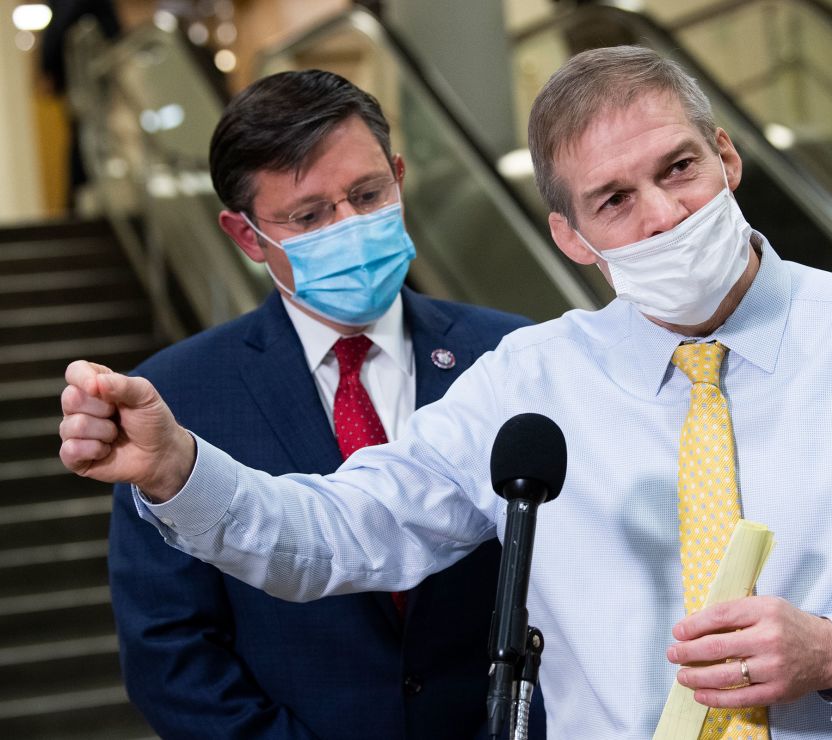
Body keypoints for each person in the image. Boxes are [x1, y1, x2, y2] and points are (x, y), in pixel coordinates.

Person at [62, 47, 832, 739]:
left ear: (727, 158)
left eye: (679, 167)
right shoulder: (530, 380)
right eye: (613, 199)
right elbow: (339, 529)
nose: (664, 214)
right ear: (570, 237)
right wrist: (181, 468)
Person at [104, 69, 542, 740]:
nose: (352, 225)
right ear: (247, 236)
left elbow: (570, 593)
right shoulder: (177, 404)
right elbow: (171, 652)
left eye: (368, 194)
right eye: (309, 216)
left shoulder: (511, 356)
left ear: (399, 175)